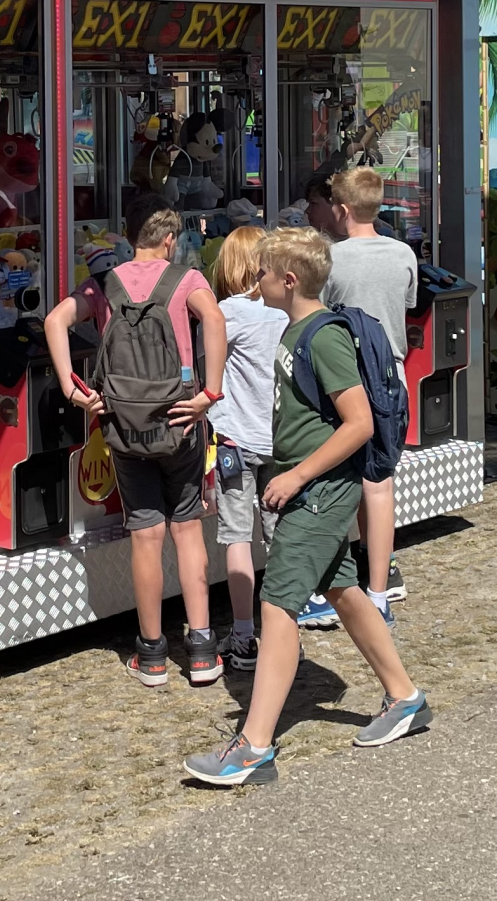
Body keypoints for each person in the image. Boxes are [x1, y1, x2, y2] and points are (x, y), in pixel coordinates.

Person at [183, 227, 431, 786]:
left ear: (287, 280)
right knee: (342, 588)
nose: (256, 281)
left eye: (263, 273)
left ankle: (253, 747)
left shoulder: (321, 338)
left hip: (318, 491)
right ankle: (405, 697)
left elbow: (360, 422)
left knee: (278, 605)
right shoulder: (295, 330)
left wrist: (296, 475)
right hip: (308, 486)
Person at [44, 202, 229, 686]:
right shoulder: (186, 278)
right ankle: (203, 650)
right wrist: (210, 391)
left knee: (145, 535)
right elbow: (213, 319)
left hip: (123, 423)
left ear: (130, 239)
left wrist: (73, 389)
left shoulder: (105, 284)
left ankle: (150, 655)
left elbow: (54, 321)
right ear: (171, 241)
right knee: (187, 531)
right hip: (181, 418)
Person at [319, 165, 419, 621]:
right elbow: (409, 305)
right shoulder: (402, 254)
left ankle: (331, 582)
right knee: (379, 486)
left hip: (341, 380)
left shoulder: (331, 260)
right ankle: (379, 591)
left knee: (335, 482)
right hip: (390, 375)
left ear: (340, 210)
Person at [207, 225, 289, 670]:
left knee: (237, 537)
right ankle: (284, 626)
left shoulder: (227, 313)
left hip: (236, 442)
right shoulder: (285, 311)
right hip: (281, 440)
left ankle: (243, 634)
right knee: (280, 535)